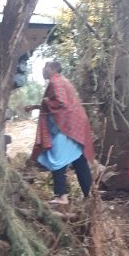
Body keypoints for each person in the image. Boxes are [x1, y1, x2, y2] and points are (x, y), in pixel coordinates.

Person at [29, 60, 95, 205]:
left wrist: (45, 101)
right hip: (73, 127)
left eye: (44, 67)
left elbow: (60, 102)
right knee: (79, 159)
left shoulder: (56, 82)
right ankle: (90, 195)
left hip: (66, 128)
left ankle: (61, 196)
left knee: (56, 159)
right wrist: (37, 106)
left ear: (51, 69)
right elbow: (58, 102)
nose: (43, 70)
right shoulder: (62, 81)